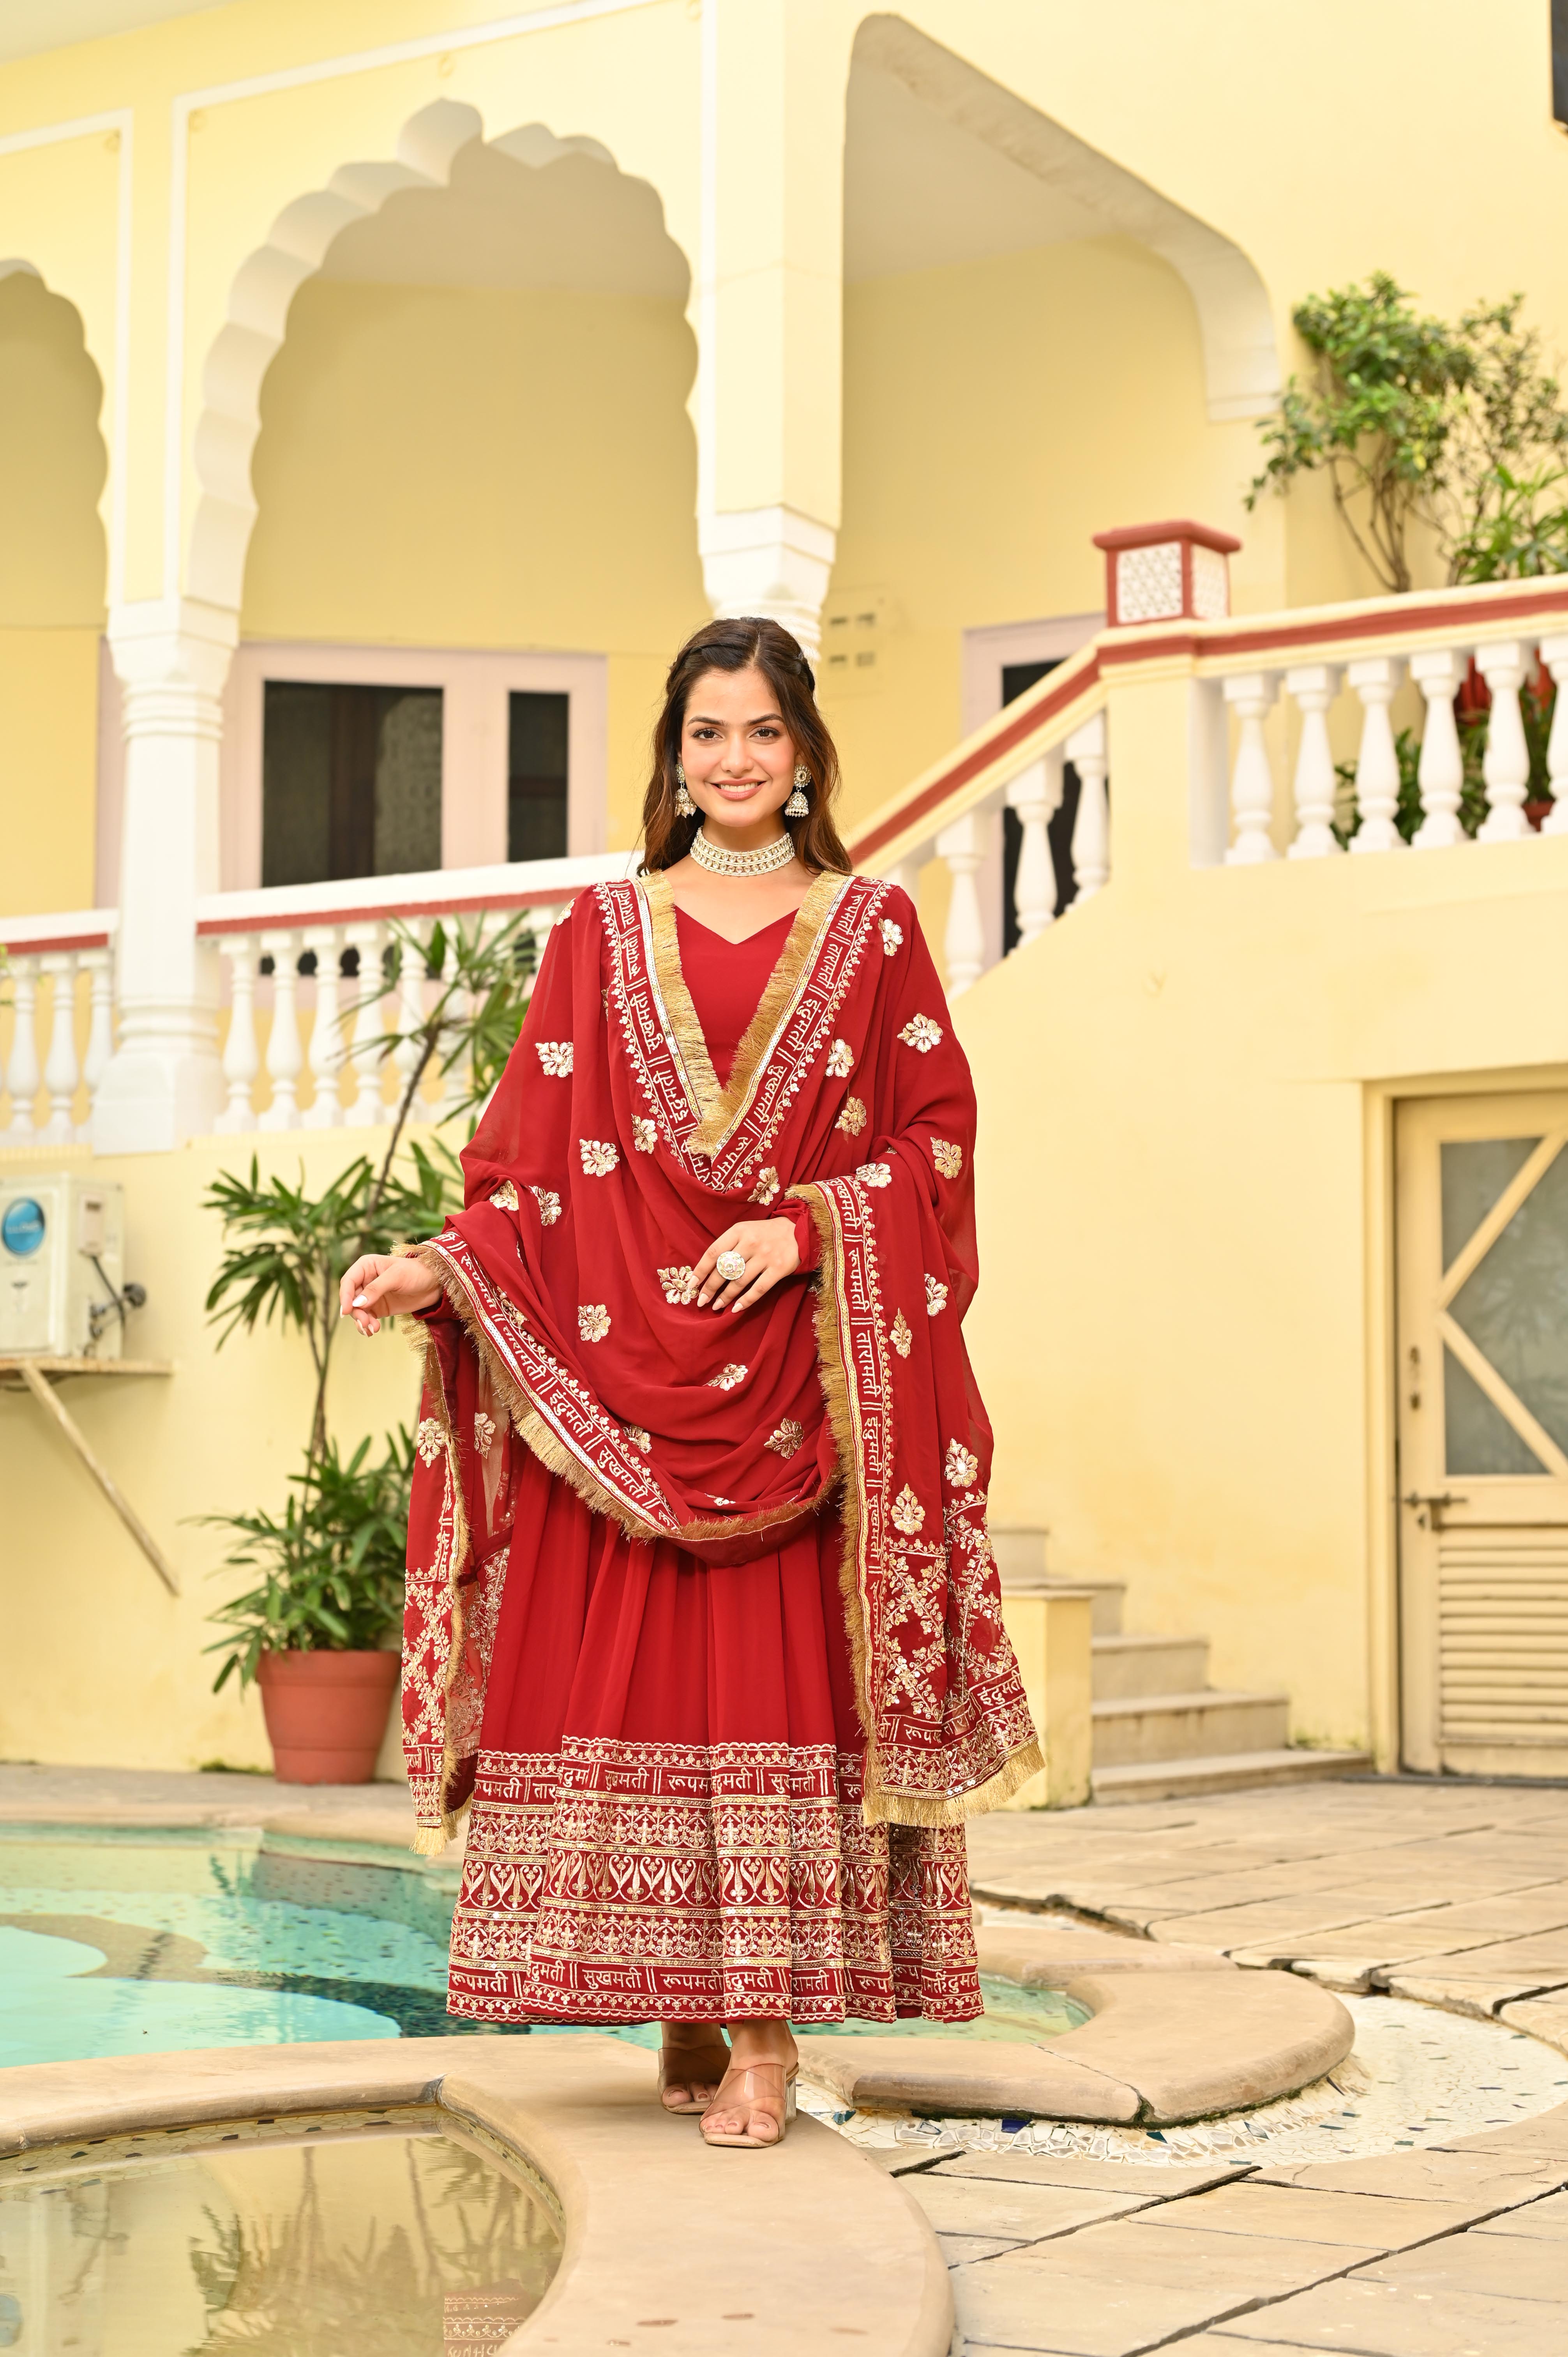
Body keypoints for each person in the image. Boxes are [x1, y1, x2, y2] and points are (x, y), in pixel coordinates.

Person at [339, 616, 1041, 2150]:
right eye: (706, 733)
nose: (732, 760)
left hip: (796, 1388)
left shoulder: (872, 931)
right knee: (645, 1689)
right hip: (614, 1383)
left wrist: (802, 1231)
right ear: (674, 758)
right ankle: (678, 1996)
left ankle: (771, 2046)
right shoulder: (599, 930)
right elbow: (527, 1165)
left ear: (802, 759)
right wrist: (439, 1271)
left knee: (767, 1692)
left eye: (762, 734)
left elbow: (929, 1145)